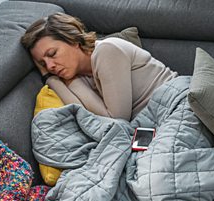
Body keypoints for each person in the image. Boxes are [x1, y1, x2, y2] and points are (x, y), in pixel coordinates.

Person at [21, 12, 178, 121]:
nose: (50, 66)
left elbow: (116, 120)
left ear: (73, 39)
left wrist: (63, 81)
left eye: (52, 53)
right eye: (42, 64)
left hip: (176, 103)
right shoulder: (78, 77)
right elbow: (83, 114)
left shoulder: (106, 51)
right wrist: (51, 79)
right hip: (154, 120)